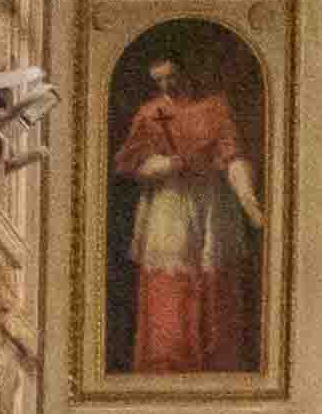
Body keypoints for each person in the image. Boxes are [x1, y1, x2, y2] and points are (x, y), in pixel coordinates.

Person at [110, 48, 263, 372]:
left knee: (213, 280)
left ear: (186, 73)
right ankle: (169, 360)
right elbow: (130, 164)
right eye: (160, 81)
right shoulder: (150, 113)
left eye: (172, 78)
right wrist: (166, 164)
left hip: (210, 203)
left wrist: (247, 197)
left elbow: (232, 155)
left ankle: (216, 359)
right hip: (169, 205)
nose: (167, 87)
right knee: (171, 285)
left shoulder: (215, 108)